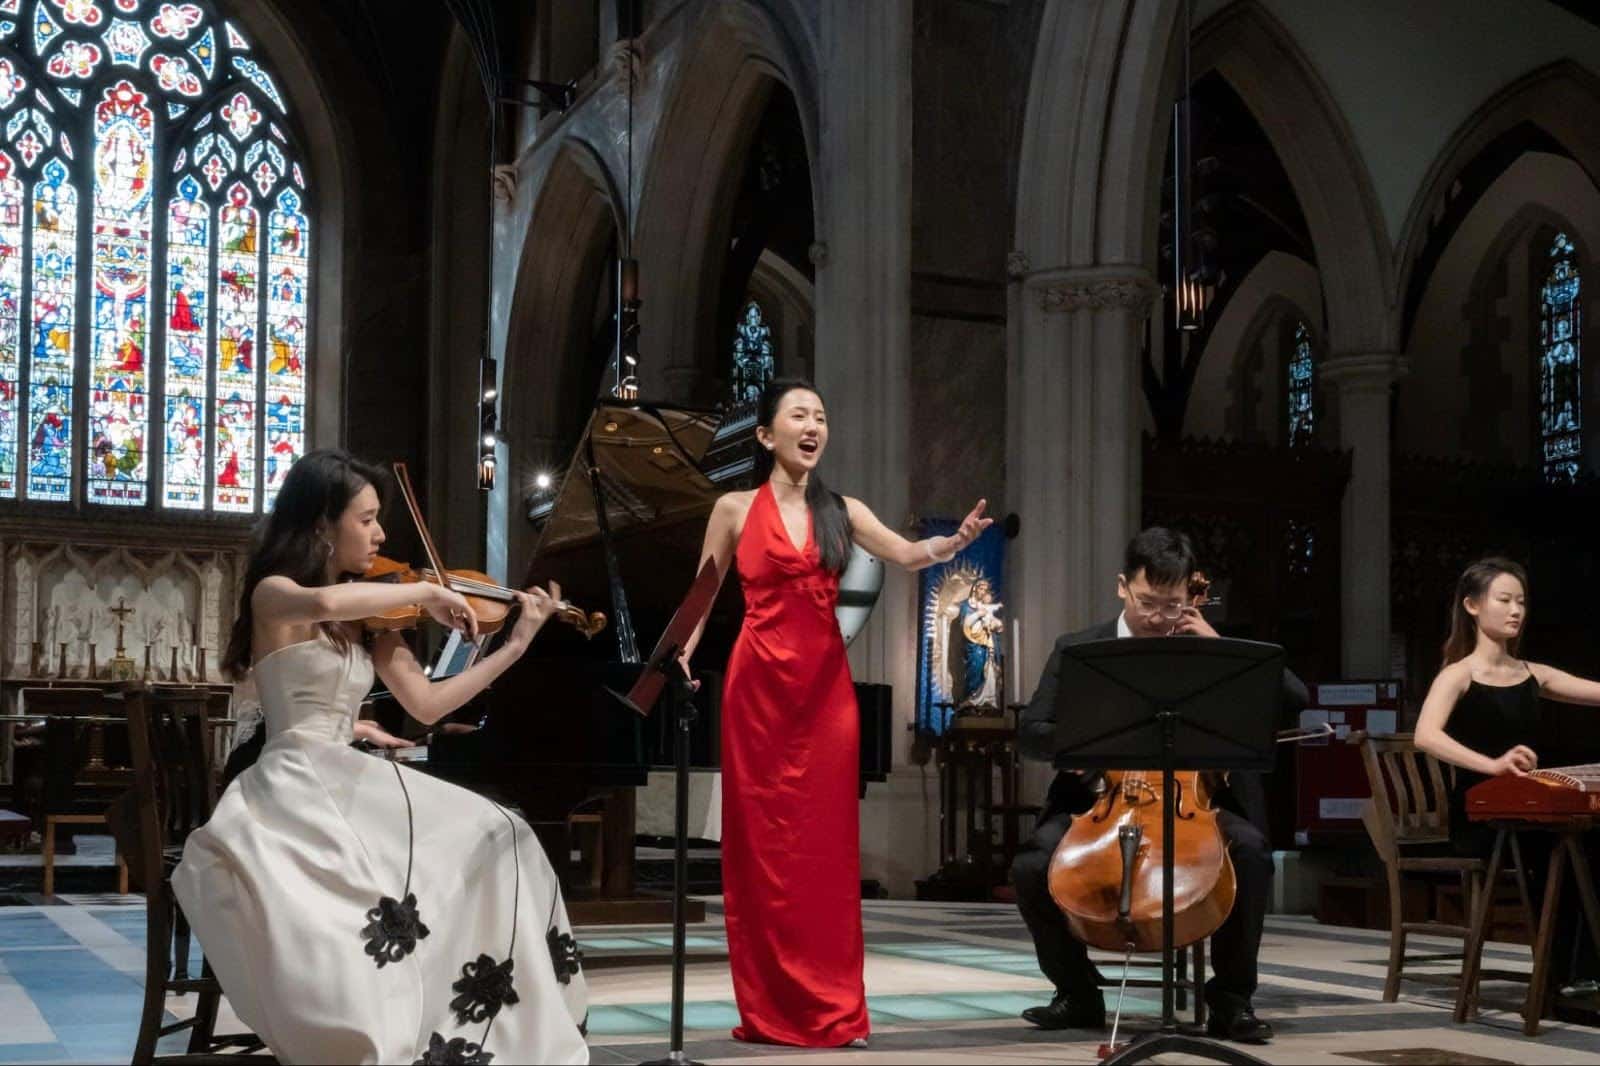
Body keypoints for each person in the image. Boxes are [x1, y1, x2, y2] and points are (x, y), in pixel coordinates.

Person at [172, 449, 588, 1064]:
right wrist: (424, 588)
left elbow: (424, 704)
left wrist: (516, 644)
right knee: (405, 874)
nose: (381, 534)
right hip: (291, 785)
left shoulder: (370, 618)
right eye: (366, 519)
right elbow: (322, 606)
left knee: (503, 831)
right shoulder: (275, 594)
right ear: (321, 524)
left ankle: (472, 1019)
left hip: (344, 774)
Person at [682, 378, 991, 1047]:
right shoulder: (733, 509)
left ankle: (834, 1007)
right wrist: (680, 652)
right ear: (767, 435)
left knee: (823, 854)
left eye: (820, 415)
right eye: (799, 414)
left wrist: (953, 542)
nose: (813, 424)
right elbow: (703, 595)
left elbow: (907, 555)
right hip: (756, 693)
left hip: (826, 696)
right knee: (760, 852)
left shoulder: (843, 509)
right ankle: (769, 1008)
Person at [1010, 527, 1307, 1044]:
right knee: (1031, 866)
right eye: (1149, 602)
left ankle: (1232, 1001)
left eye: (1172, 606)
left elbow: (1295, 698)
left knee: (1254, 853)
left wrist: (1218, 643)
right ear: (1123, 587)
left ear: (1191, 596)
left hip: (1191, 802)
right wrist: (1085, 750)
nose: (1159, 618)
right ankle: (1077, 993)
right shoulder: (1080, 648)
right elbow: (1032, 731)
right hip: (1098, 799)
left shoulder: (1206, 647)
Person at [1414, 557, 1600, 992]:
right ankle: (1563, 977)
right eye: (1504, 600)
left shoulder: (1535, 674)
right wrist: (1493, 766)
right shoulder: (1458, 674)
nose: (1516, 609)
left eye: (1521, 601)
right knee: (1567, 845)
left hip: (1530, 809)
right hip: (1481, 814)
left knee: (1585, 839)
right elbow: (1425, 735)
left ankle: (1577, 973)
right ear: (1473, 606)